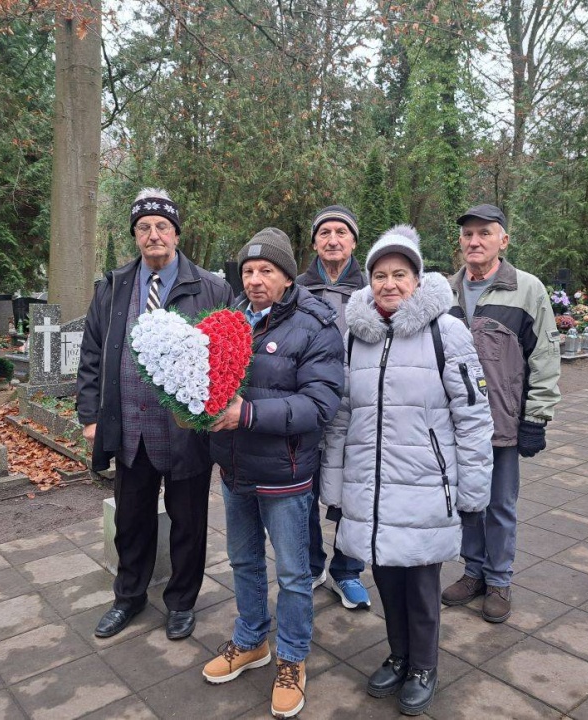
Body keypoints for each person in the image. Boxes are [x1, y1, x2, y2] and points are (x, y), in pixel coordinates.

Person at [321, 225, 494, 715]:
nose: (389, 284)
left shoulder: (447, 332)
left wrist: (473, 490)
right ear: (369, 280)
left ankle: (424, 665)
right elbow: (341, 417)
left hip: (425, 485)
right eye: (380, 275)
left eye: (400, 274)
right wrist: (334, 486)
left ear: (417, 280)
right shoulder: (357, 337)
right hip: (370, 486)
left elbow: (474, 414)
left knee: (420, 585)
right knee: (387, 578)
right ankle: (398, 656)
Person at [76, 187, 233, 642]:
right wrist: (91, 414)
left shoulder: (210, 287)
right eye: (143, 228)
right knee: (132, 519)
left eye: (162, 226)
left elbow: (225, 357)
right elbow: (91, 353)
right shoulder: (114, 286)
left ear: (177, 233)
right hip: (130, 427)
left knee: (188, 522)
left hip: (185, 432)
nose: (153, 235)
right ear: (135, 236)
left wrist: (215, 413)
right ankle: (128, 596)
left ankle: (182, 602)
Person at [202, 228, 344, 720]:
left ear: (286, 277)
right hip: (236, 469)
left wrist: (248, 415)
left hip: (284, 473)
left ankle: (292, 658)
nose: (256, 279)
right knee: (242, 562)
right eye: (248, 271)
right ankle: (250, 640)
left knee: (293, 573)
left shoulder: (316, 325)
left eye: (267, 271)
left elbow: (319, 404)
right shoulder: (228, 321)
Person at [441, 203, 561, 623]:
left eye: (485, 233)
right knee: (467, 501)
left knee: (500, 505)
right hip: (455, 422)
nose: (474, 241)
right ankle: (473, 571)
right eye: (468, 234)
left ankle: (499, 579)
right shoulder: (445, 291)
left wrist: (537, 416)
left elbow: (544, 355)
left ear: (503, 240)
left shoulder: (527, 289)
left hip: (502, 420)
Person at [295, 204, 370, 610]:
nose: (333, 239)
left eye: (341, 232)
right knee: (302, 489)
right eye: (324, 233)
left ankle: (347, 570)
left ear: (354, 241)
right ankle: (310, 566)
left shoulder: (372, 290)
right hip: (308, 405)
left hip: (357, 408)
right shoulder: (298, 290)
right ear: (314, 243)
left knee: (353, 492)